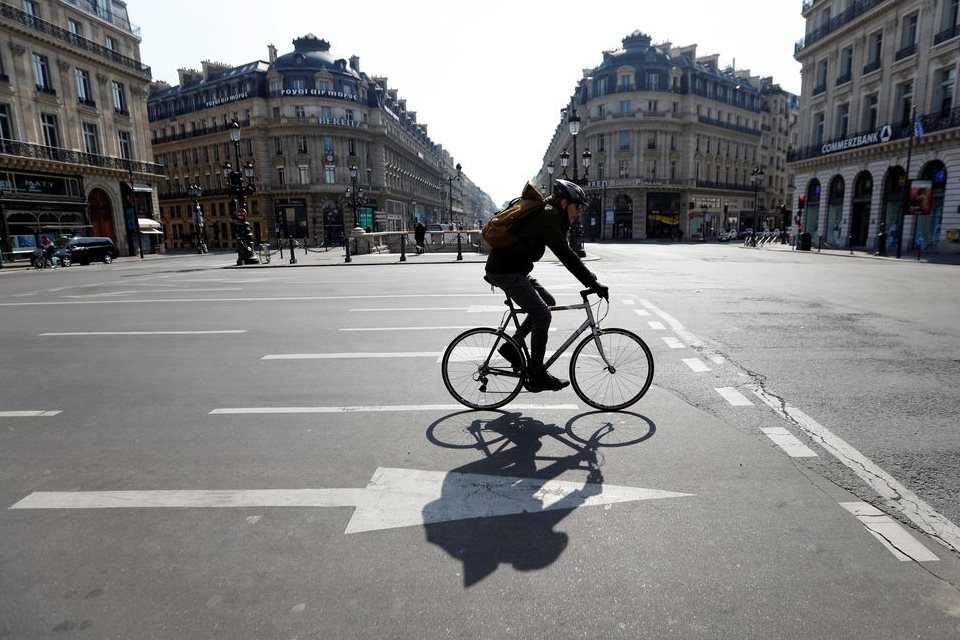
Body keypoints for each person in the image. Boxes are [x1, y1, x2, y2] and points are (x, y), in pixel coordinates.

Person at [484, 179, 608, 393]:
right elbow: (565, 254)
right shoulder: (549, 216)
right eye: (577, 207)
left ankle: (511, 346)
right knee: (543, 314)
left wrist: (590, 280)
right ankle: (537, 373)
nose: (579, 212)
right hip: (506, 272)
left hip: (515, 270)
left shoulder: (550, 214)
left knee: (548, 302)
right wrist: (592, 282)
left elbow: (564, 250)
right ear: (564, 203)